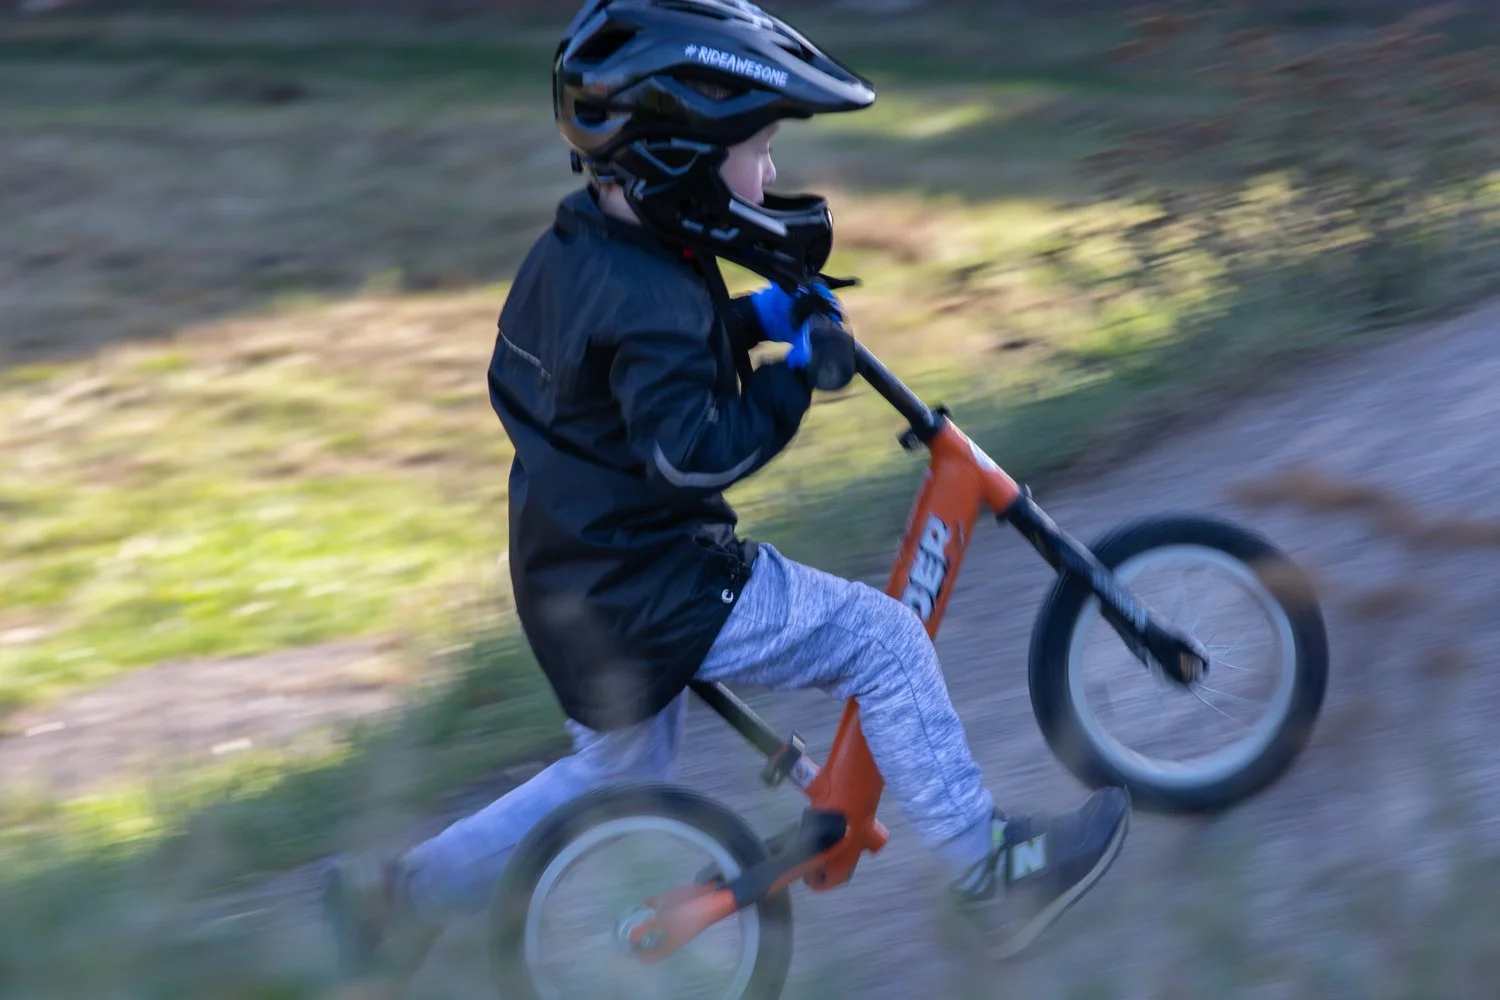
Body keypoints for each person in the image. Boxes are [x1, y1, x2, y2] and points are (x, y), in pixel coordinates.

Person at [321, 0, 1130, 988]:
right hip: (659, 583)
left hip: (569, 575)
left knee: (617, 775)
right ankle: (991, 868)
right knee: (886, 642)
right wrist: (797, 376)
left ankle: (401, 897)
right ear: (679, 159)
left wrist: (752, 320)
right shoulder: (657, 294)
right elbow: (694, 452)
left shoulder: (582, 250)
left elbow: (595, 376)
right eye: (757, 148)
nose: (772, 175)